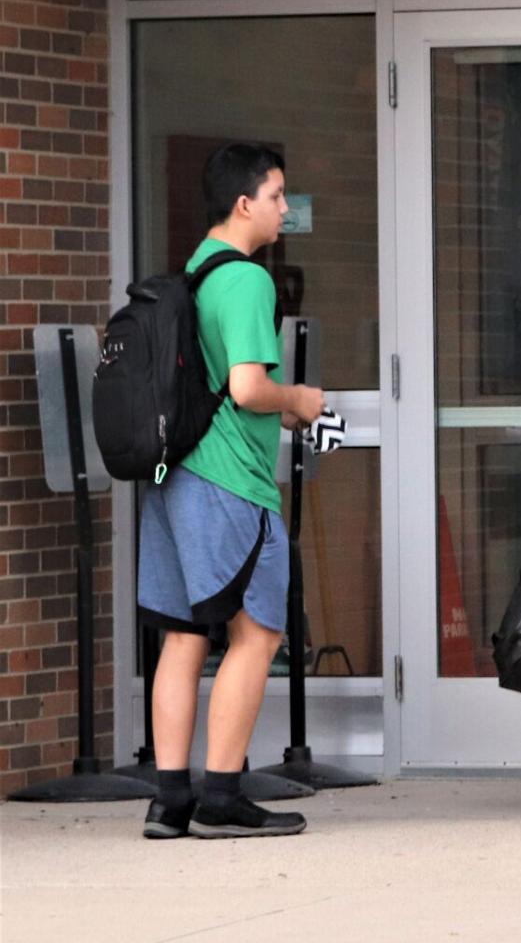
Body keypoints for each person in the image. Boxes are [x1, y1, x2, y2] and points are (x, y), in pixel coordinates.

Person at [138, 142, 325, 840]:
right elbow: (247, 388)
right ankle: (221, 795)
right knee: (257, 632)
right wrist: (298, 397)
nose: (285, 209)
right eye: (278, 196)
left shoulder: (193, 270)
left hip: (173, 476)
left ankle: (169, 800)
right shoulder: (245, 280)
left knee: (184, 637)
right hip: (231, 484)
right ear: (245, 203)